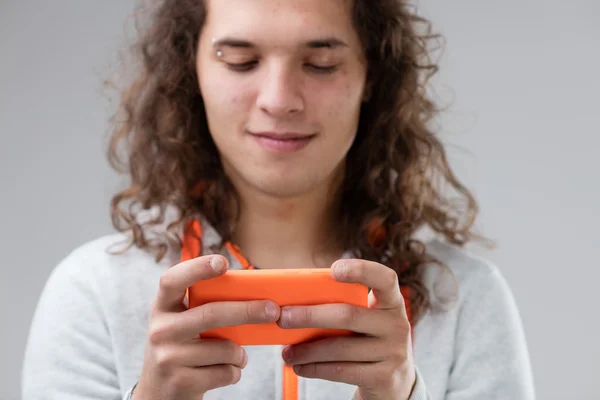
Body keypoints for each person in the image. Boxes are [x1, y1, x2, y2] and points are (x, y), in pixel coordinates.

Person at [21, 0, 536, 399]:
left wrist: (402, 393)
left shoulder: (466, 299)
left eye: (321, 63)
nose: (279, 99)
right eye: (241, 61)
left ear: (370, 76)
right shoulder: (92, 291)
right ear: (191, 72)